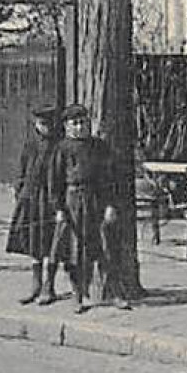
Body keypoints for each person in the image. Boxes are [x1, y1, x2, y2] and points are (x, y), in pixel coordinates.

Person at [48, 104, 131, 313]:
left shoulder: (100, 147)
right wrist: (58, 209)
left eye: (84, 122)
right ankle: (78, 295)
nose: (80, 127)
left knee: (107, 248)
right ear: (67, 127)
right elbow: (54, 183)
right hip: (74, 202)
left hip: (99, 200)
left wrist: (111, 205)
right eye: (75, 123)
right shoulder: (62, 149)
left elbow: (112, 178)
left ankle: (114, 293)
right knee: (76, 251)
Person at [5, 105, 63, 304]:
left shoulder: (59, 146)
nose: (45, 128)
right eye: (41, 124)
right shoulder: (30, 145)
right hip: (31, 200)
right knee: (34, 242)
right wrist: (20, 190)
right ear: (35, 125)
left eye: (48, 124)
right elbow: (22, 169)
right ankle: (35, 286)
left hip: (50, 200)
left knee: (51, 244)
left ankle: (49, 286)